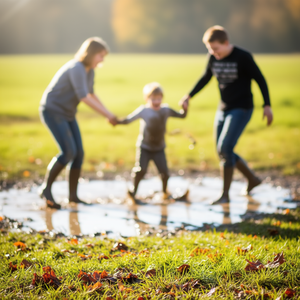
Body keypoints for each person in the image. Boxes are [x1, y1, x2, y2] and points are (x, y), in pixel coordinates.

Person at [180, 25, 273, 205]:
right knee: (222, 150)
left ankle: (225, 195)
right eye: (210, 49)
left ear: (226, 43)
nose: (213, 53)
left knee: (225, 148)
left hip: (242, 108)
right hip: (223, 109)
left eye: (216, 49)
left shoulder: (242, 57)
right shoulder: (213, 58)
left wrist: (267, 105)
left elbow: (260, 79)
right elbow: (206, 77)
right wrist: (188, 96)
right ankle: (252, 179)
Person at [39, 37, 117, 209]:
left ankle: (73, 196)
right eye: (100, 56)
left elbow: (92, 94)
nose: (102, 60)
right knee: (68, 152)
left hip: (67, 113)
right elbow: (84, 97)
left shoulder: (90, 71)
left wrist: (109, 114)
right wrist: (107, 115)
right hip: (53, 111)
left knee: (79, 153)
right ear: (90, 54)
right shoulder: (77, 68)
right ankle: (46, 189)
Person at [116, 82, 188, 202]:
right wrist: (116, 121)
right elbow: (128, 120)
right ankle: (133, 193)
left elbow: (182, 116)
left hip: (159, 148)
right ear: (147, 99)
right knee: (141, 170)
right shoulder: (143, 111)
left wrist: (185, 108)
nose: (156, 101)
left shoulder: (166, 110)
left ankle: (165, 193)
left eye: (159, 98)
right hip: (145, 147)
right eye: (153, 99)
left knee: (164, 172)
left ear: (162, 98)